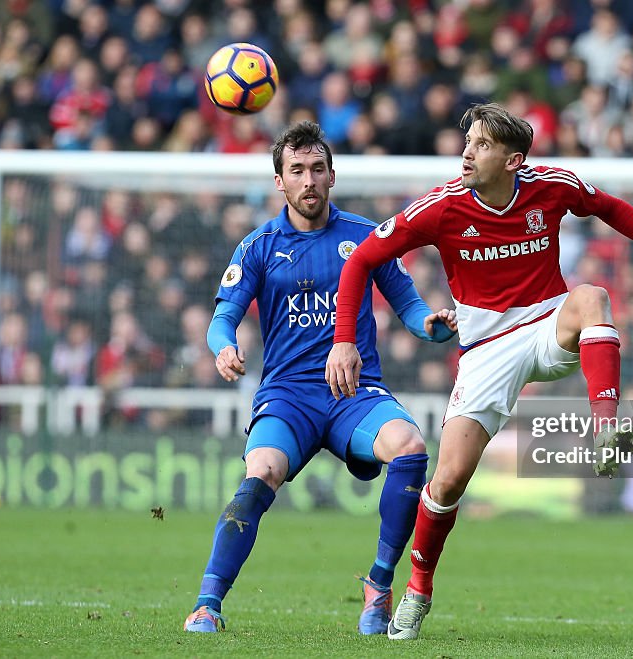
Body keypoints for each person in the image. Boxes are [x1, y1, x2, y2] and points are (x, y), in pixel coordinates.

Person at [326, 103, 633, 640]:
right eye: (468, 142)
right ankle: (418, 591)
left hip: (547, 322)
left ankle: (604, 428)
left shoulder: (551, 186)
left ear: (513, 160)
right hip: (484, 349)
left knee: (594, 296)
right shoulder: (439, 209)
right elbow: (360, 261)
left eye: (480, 145)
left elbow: (609, 207)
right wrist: (344, 340)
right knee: (448, 481)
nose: (466, 152)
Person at [185, 121, 457, 635]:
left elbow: (407, 302)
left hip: (354, 394)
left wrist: (431, 325)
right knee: (260, 471)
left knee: (411, 445)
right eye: (296, 171)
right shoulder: (260, 245)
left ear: (332, 176)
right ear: (279, 183)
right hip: (288, 398)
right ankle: (207, 603)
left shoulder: (365, 237)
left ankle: (378, 586)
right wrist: (223, 347)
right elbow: (223, 317)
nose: (308, 180)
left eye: (316, 169)